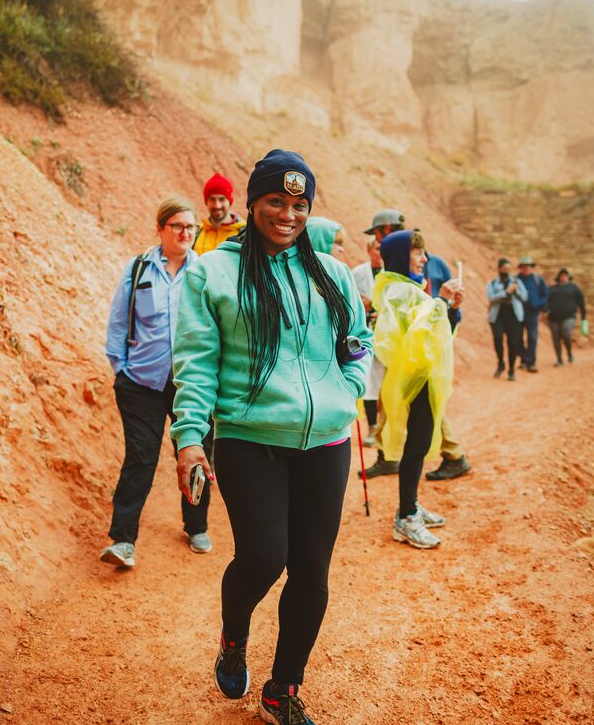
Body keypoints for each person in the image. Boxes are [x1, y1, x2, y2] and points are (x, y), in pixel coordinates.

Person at [171, 150, 372, 724]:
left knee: (311, 570)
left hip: (326, 441)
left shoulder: (330, 273)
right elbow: (196, 361)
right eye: (276, 202)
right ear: (252, 203)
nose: (288, 214)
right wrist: (189, 438)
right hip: (248, 438)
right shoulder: (213, 273)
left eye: (299, 204)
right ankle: (234, 638)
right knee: (263, 557)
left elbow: (357, 338)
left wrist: (347, 383)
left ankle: (282, 690)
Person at [101, 198, 214, 567]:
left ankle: (196, 526)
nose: (185, 233)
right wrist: (121, 367)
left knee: (197, 453)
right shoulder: (138, 270)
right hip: (140, 383)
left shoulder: (204, 273)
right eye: (178, 226)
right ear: (160, 228)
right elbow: (119, 320)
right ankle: (122, 540)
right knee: (141, 457)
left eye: (191, 228)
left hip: (190, 383)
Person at [373, 230, 456, 548]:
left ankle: (411, 504)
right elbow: (418, 339)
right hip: (416, 381)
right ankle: (406, 517)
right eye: (418, 253)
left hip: (421, 378)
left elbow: (438, 334)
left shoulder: (407, 290)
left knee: (418, 445)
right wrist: (443, 303)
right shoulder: (400, 292)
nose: (424, 259)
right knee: (417, 444)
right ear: (399, 257)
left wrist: (450, 309)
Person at [361, 209, 406, 476]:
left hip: (404, 344)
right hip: (394, 342)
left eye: (378, 233)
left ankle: (452, 453)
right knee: (388, 398)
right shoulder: (401, 258)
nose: (377, 241)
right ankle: (387, 455)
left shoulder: (407, 259)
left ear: (387, 230)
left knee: (405, 401)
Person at [422, 250, 472, 481]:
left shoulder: (437, 264)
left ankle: (454, 455)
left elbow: (447, 309)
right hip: (425, 340)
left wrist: (451, 309)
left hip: (430, 342)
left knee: (430, 399)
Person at [351, 239, 384, 446]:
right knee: (370, 382)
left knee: (387, 383)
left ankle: (386, 426)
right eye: (376, 249)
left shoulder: (391, 274)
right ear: (369, 250)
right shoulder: (357, 273)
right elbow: (353, 300)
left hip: (387, 334)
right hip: (368, 333)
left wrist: (375, 304)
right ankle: (372, 426)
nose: (380, 253)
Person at [486, 257, 528, 381]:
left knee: (513, 343)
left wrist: (516, 291)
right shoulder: (493, 283)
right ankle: (500, 363)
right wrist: (506, 292)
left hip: (514, 316)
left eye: (508, 269)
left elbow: (525, 297)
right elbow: (491, 297)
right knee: (498, 340)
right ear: (499, 269)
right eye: (504, 269)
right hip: (498, 316)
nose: (506, 271)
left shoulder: (517, 282)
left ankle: (511, 369)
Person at [194, 172, 246, 255]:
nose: (217, 205)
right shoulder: (196, 233)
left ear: (230, 201)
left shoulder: (244, 233)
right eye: (212, 199)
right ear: (206, 201)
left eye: (222, 199)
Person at [546, 268, 587, 366]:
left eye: (566, 275)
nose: (564, 277)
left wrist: (583, 316)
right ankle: (559, 359)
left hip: (569, 316)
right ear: (559, 277)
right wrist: (545, 309)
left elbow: (581, 302)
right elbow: (545, 301)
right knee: (556, 338)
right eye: (562, 275)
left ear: (569, 277)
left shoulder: (574, 288)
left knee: (566, 332)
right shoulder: (552, 289)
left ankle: (569, 353)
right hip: (553, 318)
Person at [515, 255, 548, 373]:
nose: (526, 269)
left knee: (532, 338)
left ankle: (531, 362)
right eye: (524, 266)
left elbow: (545, 294)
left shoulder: (538, 280)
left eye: (528, 266)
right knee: (518, 337)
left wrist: (540, 305)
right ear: (521, 268)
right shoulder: (515, 280)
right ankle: (524, 359)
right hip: (518, 313)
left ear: (531, 267)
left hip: (532, 313)